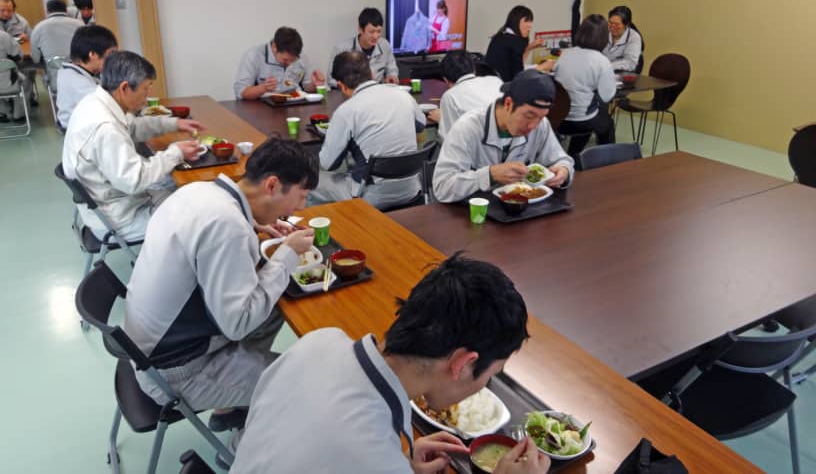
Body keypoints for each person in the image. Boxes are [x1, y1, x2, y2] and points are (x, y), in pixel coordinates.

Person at [230, 253, 550, 474]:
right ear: (463, 364)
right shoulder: (371, 459)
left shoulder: (321, 340)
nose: (485, 385)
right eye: (492, 375)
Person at [124, 138, 318, 447]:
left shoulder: (200, 191)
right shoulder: (227, 225)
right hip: (178, 373)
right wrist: (287, 253)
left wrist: (253, 224)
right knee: (305, 384)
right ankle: (242, 451)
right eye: (301, 196)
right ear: (271, 185)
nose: (301, 208)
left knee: (275, 305)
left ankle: (228, 407)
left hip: (150, 348)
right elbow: (237, 323)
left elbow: (215, 236)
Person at [61, 51, 203, 241]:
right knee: (201, 216)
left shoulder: (97, 101)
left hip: (116, 201)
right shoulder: (105, 128)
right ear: (125, 88)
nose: (148, 95)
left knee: (187, 191)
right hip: (121, 219)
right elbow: (134, 180)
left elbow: (133, 127)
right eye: (146, 88)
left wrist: (174, 123)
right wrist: (175, 153)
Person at [433, 69, 574, 204]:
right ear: (508, 104)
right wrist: (489, 175)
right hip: (475, 213)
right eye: (528, 115)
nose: (533, 126)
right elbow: (442, 187)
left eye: (541, 117)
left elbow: (561, 159)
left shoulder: (541, 124)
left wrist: (564, 170)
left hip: (521, 209)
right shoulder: (467, 128)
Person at [309, 50, 426, 210]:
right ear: (370, 72)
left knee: (308, 183)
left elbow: (328, 164)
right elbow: (421, 125)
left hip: (371, 196)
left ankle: (324, 233)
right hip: (412, 189)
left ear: (341, 86)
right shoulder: (402, 95)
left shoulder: (346, 111)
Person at [553, 14, 617, 158]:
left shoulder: (565, 54)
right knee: (605, 122)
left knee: (589, 112)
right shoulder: (602, 61)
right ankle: (610, 163)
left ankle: (575, 156)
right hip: (582, 120)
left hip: (558, 119)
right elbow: (607, 96)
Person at [233, 26, 325, 100]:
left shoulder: (300, 56)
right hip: (262, 109)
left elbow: (307, 88)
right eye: (285, 60)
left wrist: (314, 84)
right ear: (274, 47)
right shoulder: (254, 55)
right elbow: (241, 92)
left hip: (293, 105)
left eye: (293, 60)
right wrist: (263, 88)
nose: (289, 64)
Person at [430, 50, 502, 142]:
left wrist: (441, 119)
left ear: (445, 80)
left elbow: (448, 140)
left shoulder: (450, 96)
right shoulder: (495, 80)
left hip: (476, 150)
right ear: (474, 70)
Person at [55, 24, 117, 129]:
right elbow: (109, 104)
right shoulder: (76, 82)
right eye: (111, 53)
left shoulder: (73, 71)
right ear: (92, 54)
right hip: (81, 132)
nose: (113, 59)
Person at [327, 8, 399, 86]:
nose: (375, 36)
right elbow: (330, 79)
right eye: (371, 32)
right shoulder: (341, 49)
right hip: (351, 94)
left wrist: (392, 76)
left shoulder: (385, 45)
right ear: (360, 29)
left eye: (379, 31)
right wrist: (350, 85)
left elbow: (392, 70)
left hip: (377, 92)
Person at [485, 6, 550, 82]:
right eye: (526, 21)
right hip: (505, 86)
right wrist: (542, 67)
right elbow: (519, 76)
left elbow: (517, 63)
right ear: (516, 21)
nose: (530, 25)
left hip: (493, 83)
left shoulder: (500, 36)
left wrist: (529, 48)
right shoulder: (515, 41)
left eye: (531, 21)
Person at [29, 0, 83, 67]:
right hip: (79, 70)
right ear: (66, 10)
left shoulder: (38, 27)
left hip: (54, 73)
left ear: (47, 11)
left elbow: (35, 59)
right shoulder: (79, 24)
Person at [602, 6, 644, 73]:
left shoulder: (634, 37)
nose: (612, 27)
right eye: (610, 22)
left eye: (616, 24)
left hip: (620, 74)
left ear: (626, 25)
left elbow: (630, 63)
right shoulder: (603, 30)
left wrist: (607, 66)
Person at [0, 28, 23, 122]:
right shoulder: (3, 35)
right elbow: (18, 56)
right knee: (24, 82)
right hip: (7, 82)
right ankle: (18, 115)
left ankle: (3, 111)